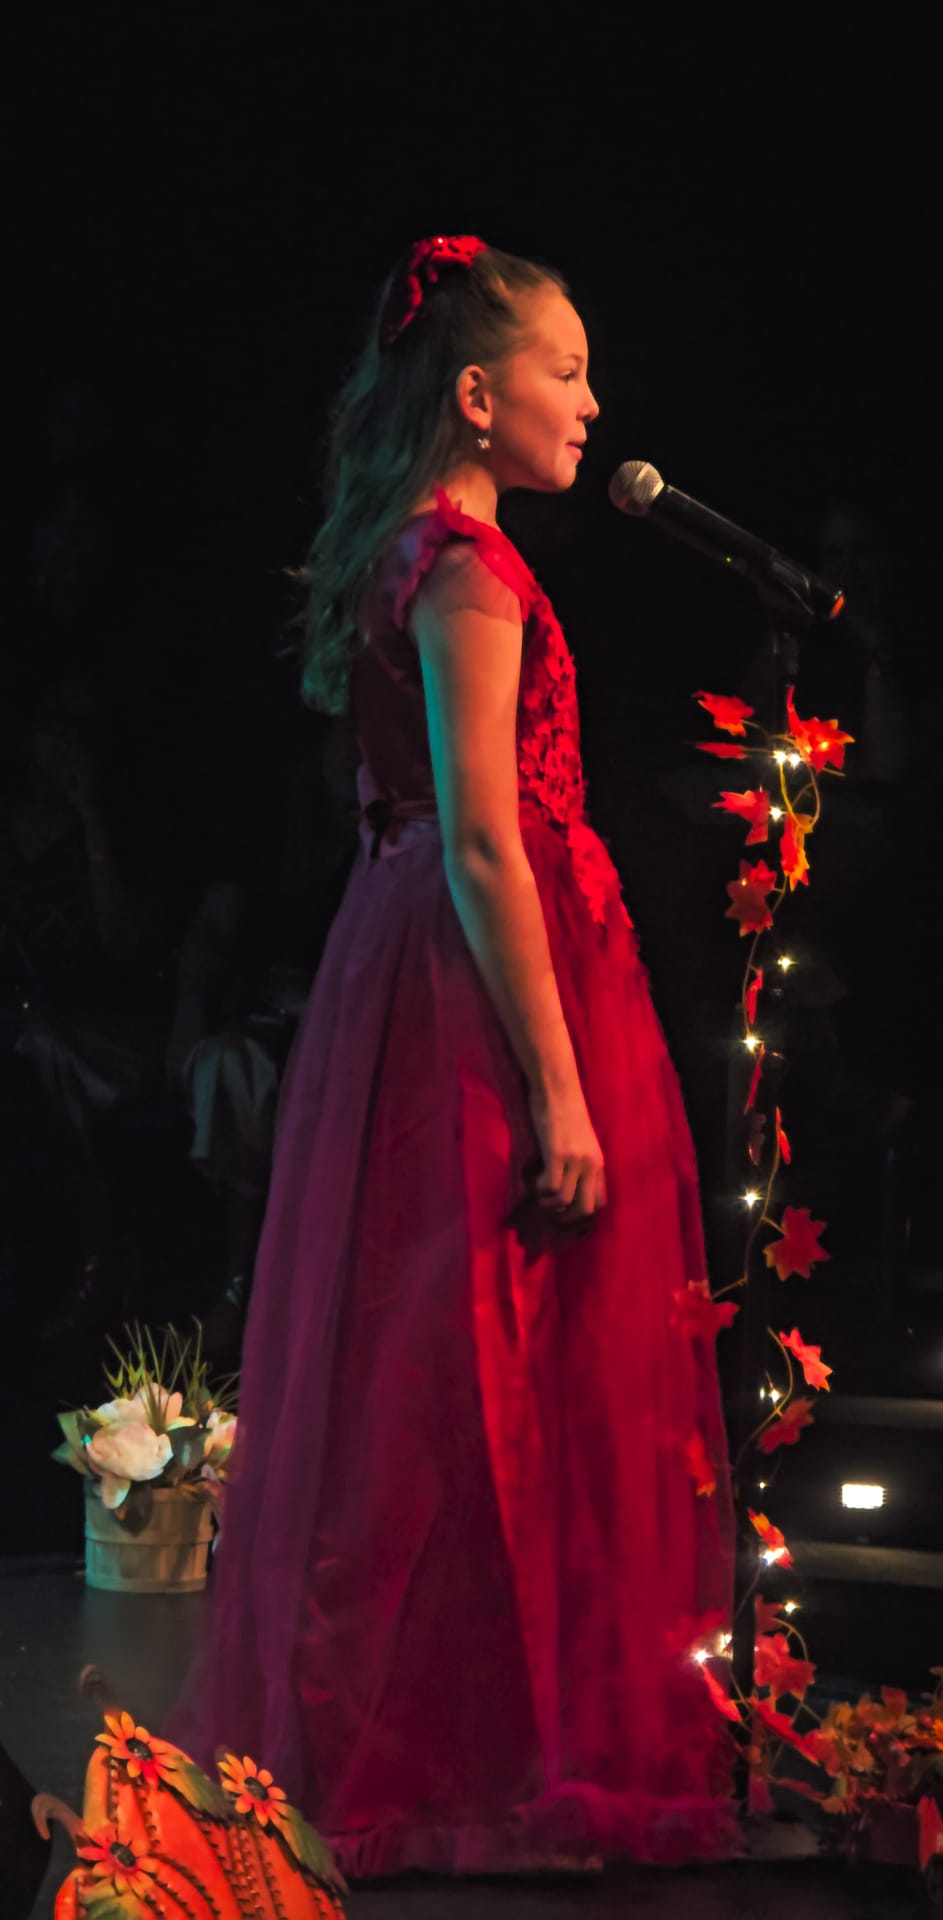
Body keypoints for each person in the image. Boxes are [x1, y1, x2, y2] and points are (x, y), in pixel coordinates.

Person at [166, 237, 738, 1878]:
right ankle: (476, 1750)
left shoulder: (417, 557)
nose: (592, 402)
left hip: (408, 959)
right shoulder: (469, 570)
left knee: (445, 1351)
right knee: (480, 1345)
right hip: (475, 977)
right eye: (566, 372)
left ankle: (458, 1734)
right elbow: (486, 837)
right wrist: (558, 1086)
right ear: (479, 396)